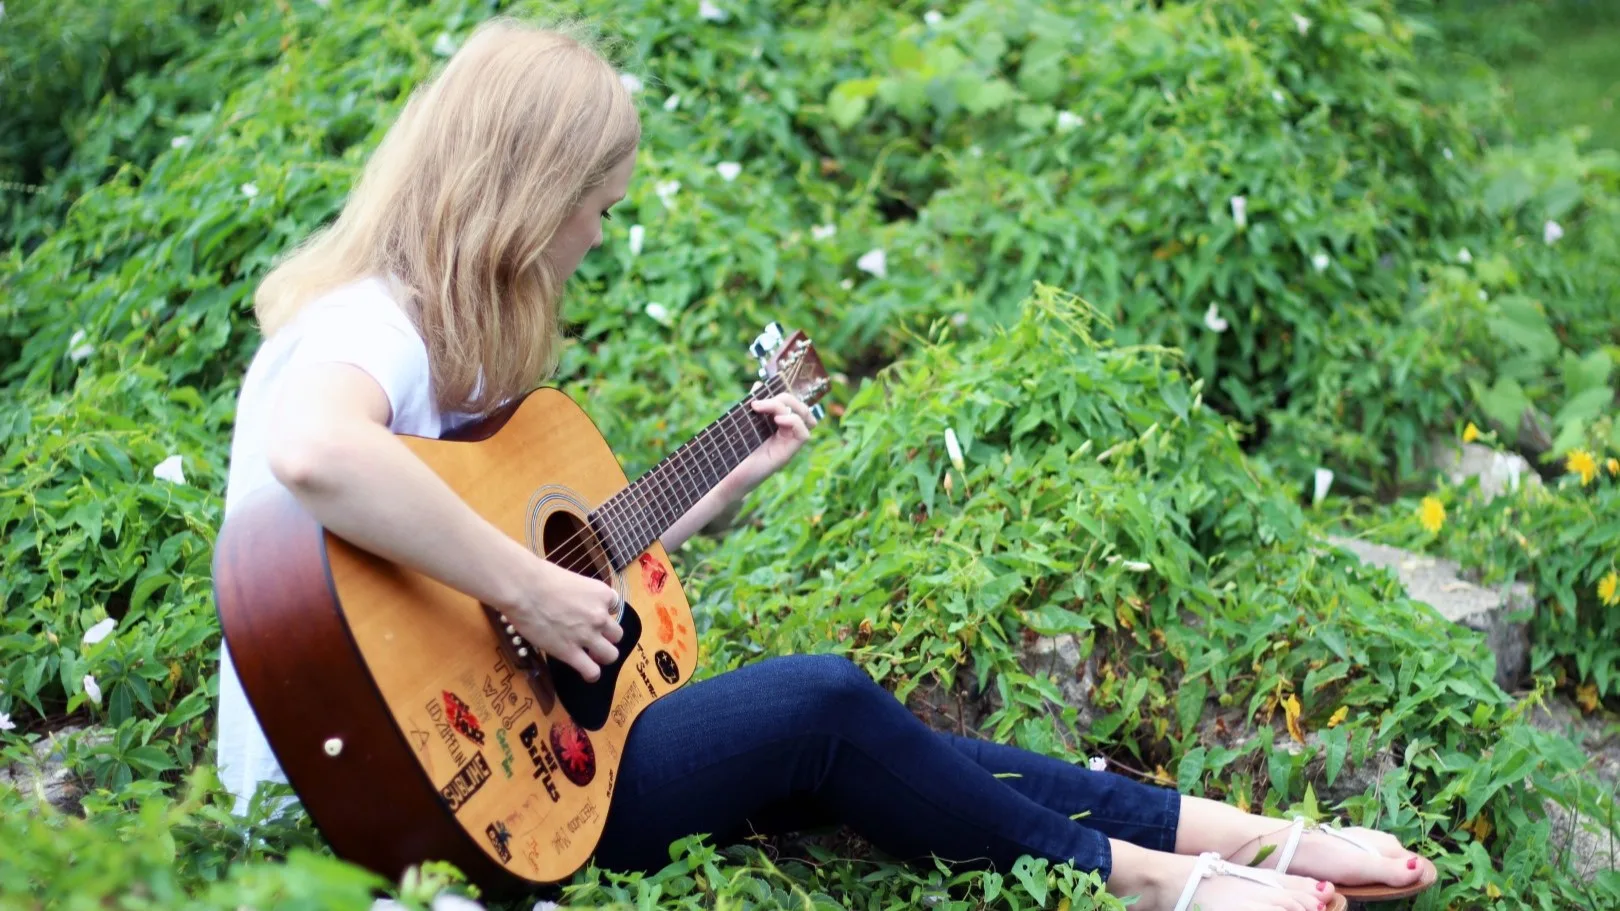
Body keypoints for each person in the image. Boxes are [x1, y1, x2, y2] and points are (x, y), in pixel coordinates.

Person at [215, 17, 1438, 911]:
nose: (598, 231)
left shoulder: (448, 340)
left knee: (884, 746)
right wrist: (532, 587)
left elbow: (521, 579)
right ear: (529, 194)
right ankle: (1162, 884)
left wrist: (710, 485)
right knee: (824, 702)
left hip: (485, 766)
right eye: (596, 203)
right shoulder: (366, 324)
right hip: (396, 796)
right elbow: (319, 453)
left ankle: (1250, 833)